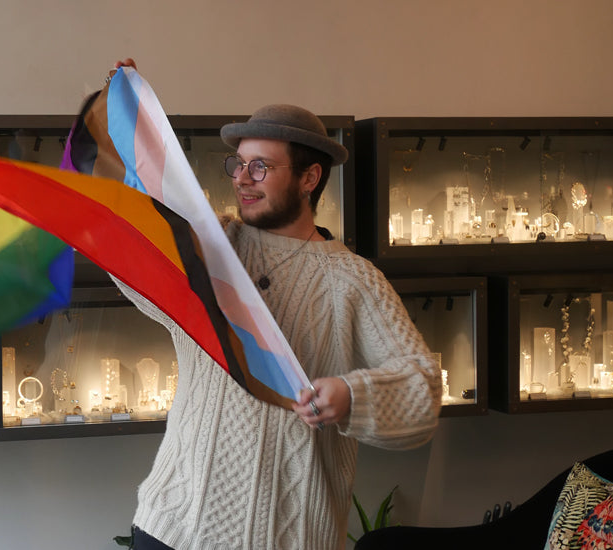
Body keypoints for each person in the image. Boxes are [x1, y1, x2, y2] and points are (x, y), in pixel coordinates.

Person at [108, 59, 442, 550]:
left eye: (260, 166)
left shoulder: (353, 279)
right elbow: (139, 277)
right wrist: (127, 119)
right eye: (238, 164)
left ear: (310, 178)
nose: (242, 178)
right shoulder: (211, 244)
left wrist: (351, 397)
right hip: (174, 526)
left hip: (288, 538)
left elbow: (423, 392)